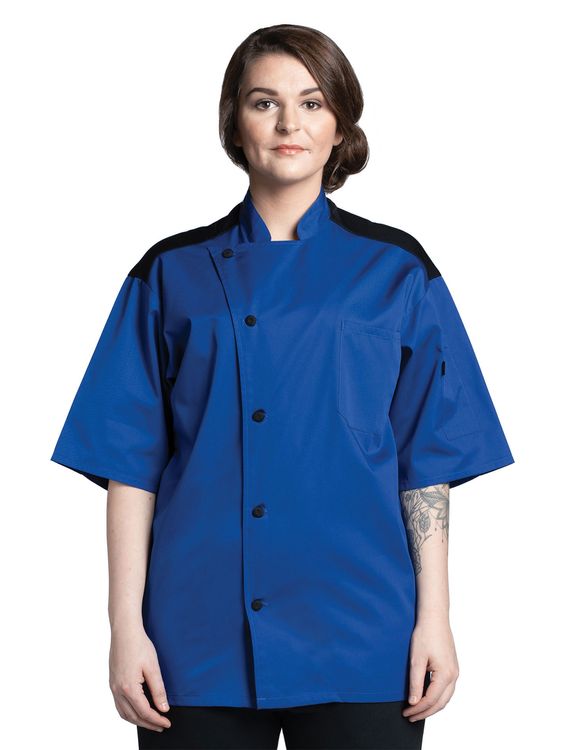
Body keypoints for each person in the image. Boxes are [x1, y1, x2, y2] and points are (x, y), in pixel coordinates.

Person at [50, 24, 515, 750]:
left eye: (312, 102)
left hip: (364, 632)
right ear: (235, 122)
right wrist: (124, 628)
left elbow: (425, 462)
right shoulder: (169, 272)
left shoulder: (397, 270)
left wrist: (435, 619)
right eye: (264, 102)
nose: (289, 123)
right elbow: (129, 465)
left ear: (340, 127)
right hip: (195, 639)